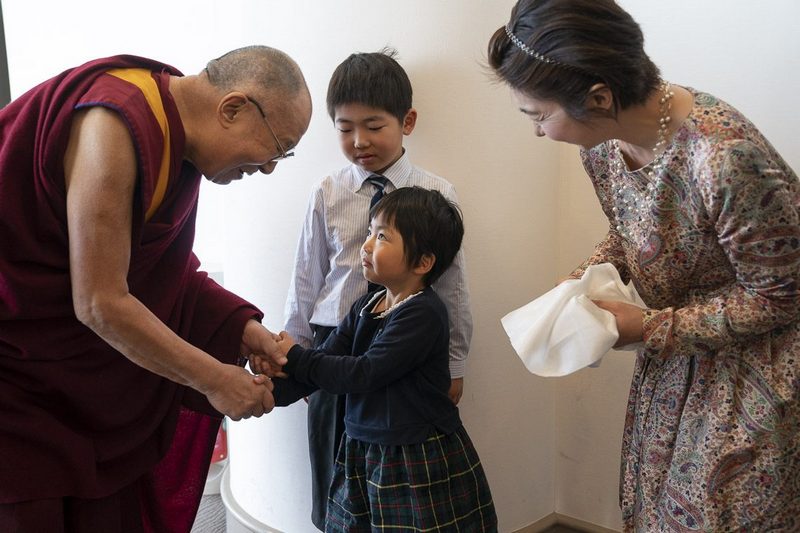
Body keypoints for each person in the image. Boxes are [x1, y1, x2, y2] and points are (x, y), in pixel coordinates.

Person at [488, 0, 799, 531]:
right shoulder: (605, 145)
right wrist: (586, 273)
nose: (538, 132)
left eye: (540, 115)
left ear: (599, 97)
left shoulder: (723, 158)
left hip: (754, 378)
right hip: (675, 367)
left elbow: (782, 294)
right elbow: (632, 226)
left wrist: (650, 326)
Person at [0, 46, 311, 532]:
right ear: (233, 108)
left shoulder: (175, 141)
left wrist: (242, 328)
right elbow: (100, 303)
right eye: (278, 147)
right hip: (18, 378)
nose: (270, 167)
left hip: (68, 377)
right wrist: (215, 378)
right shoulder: (113, 126)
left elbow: (157, 270)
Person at [282, 48, 473, 530]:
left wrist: (454, 363)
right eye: (345, 129)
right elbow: (306, 276)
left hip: (403, 350)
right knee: (332, 464)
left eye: (373, 125)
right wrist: (297, 353)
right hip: (333, 342)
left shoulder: (437, 195)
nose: (359, 140)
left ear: (407, 121)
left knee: (395, 469)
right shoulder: (327, 191)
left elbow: (452, 285)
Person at [256, 186, 496, 532]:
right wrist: (273, 388)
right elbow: (326, 360)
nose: (366, 244)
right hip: (363, 449)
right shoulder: (366, 306)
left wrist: (292, 355)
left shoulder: (423, 314)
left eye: (382, 236)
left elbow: (364, 373)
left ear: (423, 262)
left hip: (412, 455)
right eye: (370, 232)